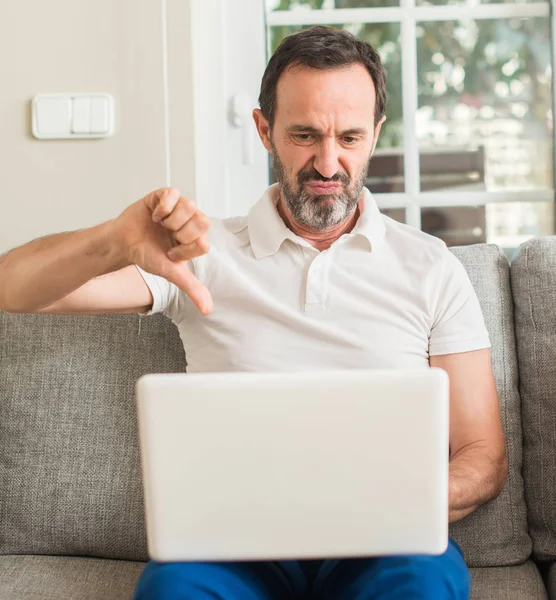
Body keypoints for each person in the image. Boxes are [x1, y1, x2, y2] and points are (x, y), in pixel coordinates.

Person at [0, 26, 507, 600]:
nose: (327, 161)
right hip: (231, 545)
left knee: (423, 583)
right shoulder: (199, 251)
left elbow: (482, 456)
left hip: (387, 542)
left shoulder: (431, 267)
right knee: (173, 590)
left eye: (349, 137)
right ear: (265, 130)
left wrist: (394, 498)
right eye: (304, 134)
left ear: (375, 137)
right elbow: (13, 288)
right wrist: (114, 241)